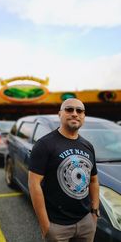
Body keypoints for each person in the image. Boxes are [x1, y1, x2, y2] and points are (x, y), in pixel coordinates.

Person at [28, 98, 100, 242]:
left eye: (79, 111)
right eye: (69, 109)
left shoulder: (87, 146)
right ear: (60, 114)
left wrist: (94, 214)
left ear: (83, 116)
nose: (75, 113)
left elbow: (93, 181)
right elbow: (34, 184)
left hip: (86, 223)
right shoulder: (44, 144)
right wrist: (45, 225)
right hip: (57, 226)